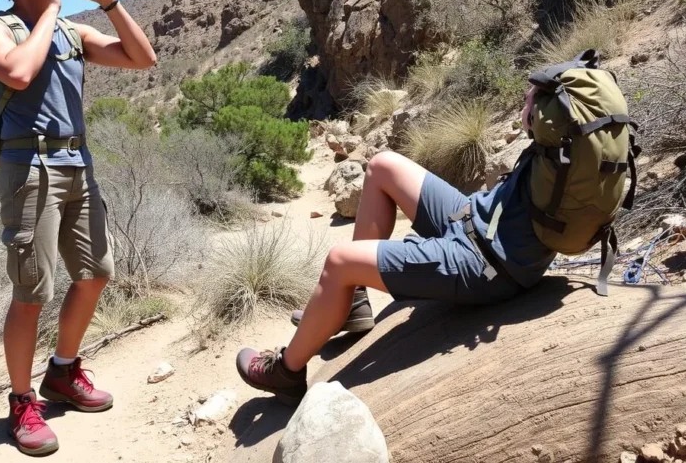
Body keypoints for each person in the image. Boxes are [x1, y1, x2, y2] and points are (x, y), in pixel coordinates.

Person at [236, 87, 555, 405]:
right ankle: (353, 303)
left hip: (481, 261)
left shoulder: (559, 148)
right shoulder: (572, 146)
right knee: (383, 166)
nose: (528, 95)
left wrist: (534, 111)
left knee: (339, 261)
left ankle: (286, 372)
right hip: (477, 220)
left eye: (535, 98)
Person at [0, 0, 156, 455]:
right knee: (32, 292)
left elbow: (143, 59)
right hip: (28, 168)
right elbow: (20, 73)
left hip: (78, 162)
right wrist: (51, 11)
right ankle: (22, 401)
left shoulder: (74, 31)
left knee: (96, 273)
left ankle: (63, 371)